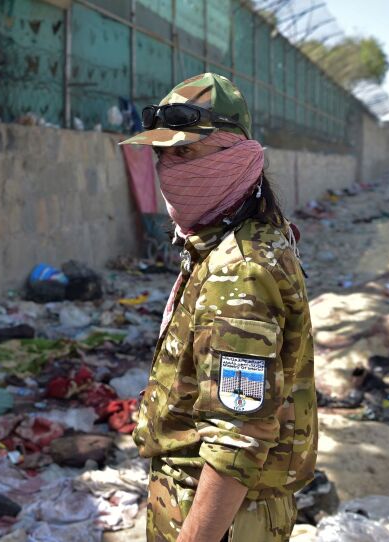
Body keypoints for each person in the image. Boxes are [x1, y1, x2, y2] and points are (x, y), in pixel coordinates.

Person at [118, 73, 318, 542]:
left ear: (235, 156)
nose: (169, 170)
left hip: (219, 520)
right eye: (162, 155)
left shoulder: (239, 271)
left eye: (185, 153)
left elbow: (237, 438)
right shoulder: (232, 240)